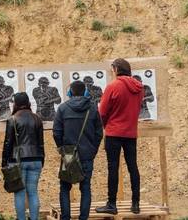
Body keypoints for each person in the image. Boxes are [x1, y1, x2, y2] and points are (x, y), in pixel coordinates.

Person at [96, 59, 144, 215]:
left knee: (113, 168)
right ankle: (135, 203)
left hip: (114, 132)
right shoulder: (139, 87)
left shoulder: (113, 86)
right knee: (133, 167)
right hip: (131, 133)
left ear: (116, 69)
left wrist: (103, 126)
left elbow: (102, 111)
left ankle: (112, 204)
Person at [53, 80, 103, 220]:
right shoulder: (92, 109)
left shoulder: (62, 108)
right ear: (85, 93)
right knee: (85, 188)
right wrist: (93, 150)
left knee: (64, 188)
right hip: (87, 154)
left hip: (68, 155)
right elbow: (99, 134)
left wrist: (62, 149)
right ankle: (83, 218)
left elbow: (57, 132)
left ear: (69, 93)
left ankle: (66, 218)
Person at [2, 93, 44, 220]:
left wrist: (4, 162)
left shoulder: (13, 119)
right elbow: (41, 142)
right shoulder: (37, 118)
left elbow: (8, 143)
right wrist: (42, 159)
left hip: (17, 160)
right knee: (33, 192)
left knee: (19, 193)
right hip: (36, 159)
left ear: (15, 104)